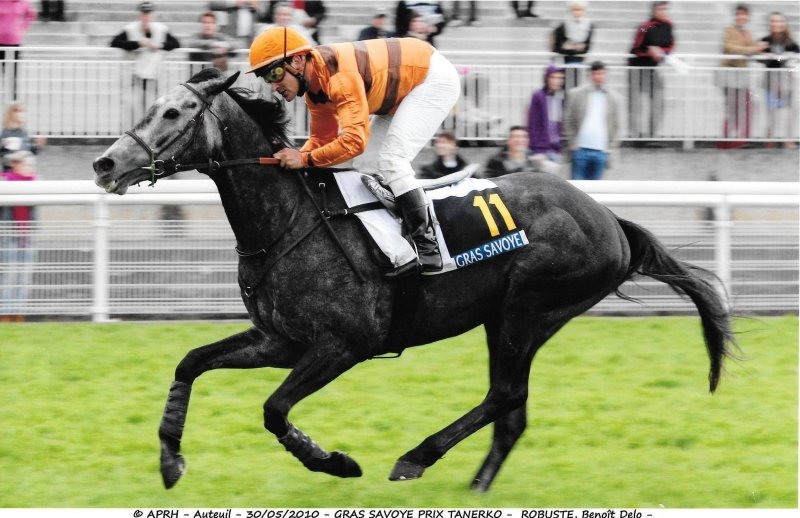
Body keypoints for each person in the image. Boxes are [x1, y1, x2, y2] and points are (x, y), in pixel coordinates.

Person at [248, 27, 460, 276]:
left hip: (431, 79)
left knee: (391, 161)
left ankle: (429, 249)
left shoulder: (339, 78)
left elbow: (354, 142)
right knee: (364, 166)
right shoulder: (315, 90)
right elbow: (322, 140)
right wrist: (291, 162)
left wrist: (303, 159)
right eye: (266, 78)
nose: (274, 86)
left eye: (275, 73)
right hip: (401, 88)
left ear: (297, 60)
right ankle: (400, 245)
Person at [110, 2, 181, 122]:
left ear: (152, 15)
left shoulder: (161, 29)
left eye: (148, 14)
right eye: (144, 14)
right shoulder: (131, 28)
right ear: (140, 15)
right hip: (135, 76)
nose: (146, 17)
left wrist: (159, 45)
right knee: (134, 109)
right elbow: (115, 42)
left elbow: (176, 43)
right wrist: (138, 43)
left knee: (154, 108)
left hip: (154, 76)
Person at [717, 3, 769, 149]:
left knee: (747, 106)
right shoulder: (729, 30)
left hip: (740, 77)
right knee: (734, 110)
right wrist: (755, 48)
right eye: (739, 14)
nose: (741, 17)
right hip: (729, 75)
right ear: (735, 16)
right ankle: (728, 143)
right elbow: (731, 48)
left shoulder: (748, 33)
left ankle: (739, 140)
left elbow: (752, 52)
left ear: (747, 16)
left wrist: (766, 55)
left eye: (744, 14)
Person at [562, 61, 621, 181]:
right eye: (595, 74)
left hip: (601, 150)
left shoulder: (613, 98)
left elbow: (616, 124)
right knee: (577, 187)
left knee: (597, 188)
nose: (598, 77)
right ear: (590, 75)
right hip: (580, 149)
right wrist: (572, 142)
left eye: (601, 74)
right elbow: (568, 119)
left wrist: (611, 146)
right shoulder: (576, 94)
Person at [627, 1, 674, 142]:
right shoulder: (644, 26)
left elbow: (671, 45)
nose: (663, 12)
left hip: (653, 68)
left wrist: (661, 51)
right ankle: (635, 136)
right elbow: (636, 48)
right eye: (660, 9)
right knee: (635, 103)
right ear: (653, 11)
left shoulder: (669, 26)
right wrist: (649, 51)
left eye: (665, 9)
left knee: (658, 101)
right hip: (636, 67)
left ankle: (653, 135)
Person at [1, 150, 37, 322]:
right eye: (26, 164)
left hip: (26, 237)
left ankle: (18, 313)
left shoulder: (34, 182)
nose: (30, 167)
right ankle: (5, 313)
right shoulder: (5, 181)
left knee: (24, 276)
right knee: (9, 275)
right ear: (15, 164)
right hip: (9, 236)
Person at [760, 11, 799, 149]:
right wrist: (777, 57)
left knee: (790, 112)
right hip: (770, 82)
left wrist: (777, 57)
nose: (776, 24)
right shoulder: (765, 41)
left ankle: (788, 140)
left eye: (779, 21)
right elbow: (760, 58)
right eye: (773, 21)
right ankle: (769, 142)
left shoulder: (791, 43)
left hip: (787, 83)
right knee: (771, 114)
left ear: (784, 24)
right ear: (770, 24)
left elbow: (796, 59)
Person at [527, 64, 565, 167]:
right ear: (547, 78)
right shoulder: (538, 96)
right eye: (553, 77)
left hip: (556, 149)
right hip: (541, 149)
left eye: (560, 78)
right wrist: (536, 147)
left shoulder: (560, 97)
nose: (557, 81)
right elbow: (532, 123)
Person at [551, 1, 593, 90]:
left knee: (576, 87)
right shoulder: (562, 26)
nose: (577, 13)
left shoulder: (588, 25)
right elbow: (557, 47)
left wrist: (570, 47)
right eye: (574, 10)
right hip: (563, 63)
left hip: (578, 63)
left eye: (580, 10)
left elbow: (587, 47)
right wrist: (576, 48)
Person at [0, 0, 37, 100]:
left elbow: (31, 14)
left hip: (14, 41)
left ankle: (12, 97)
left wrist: (22, 28)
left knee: (12, 71)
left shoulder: (22, 2)